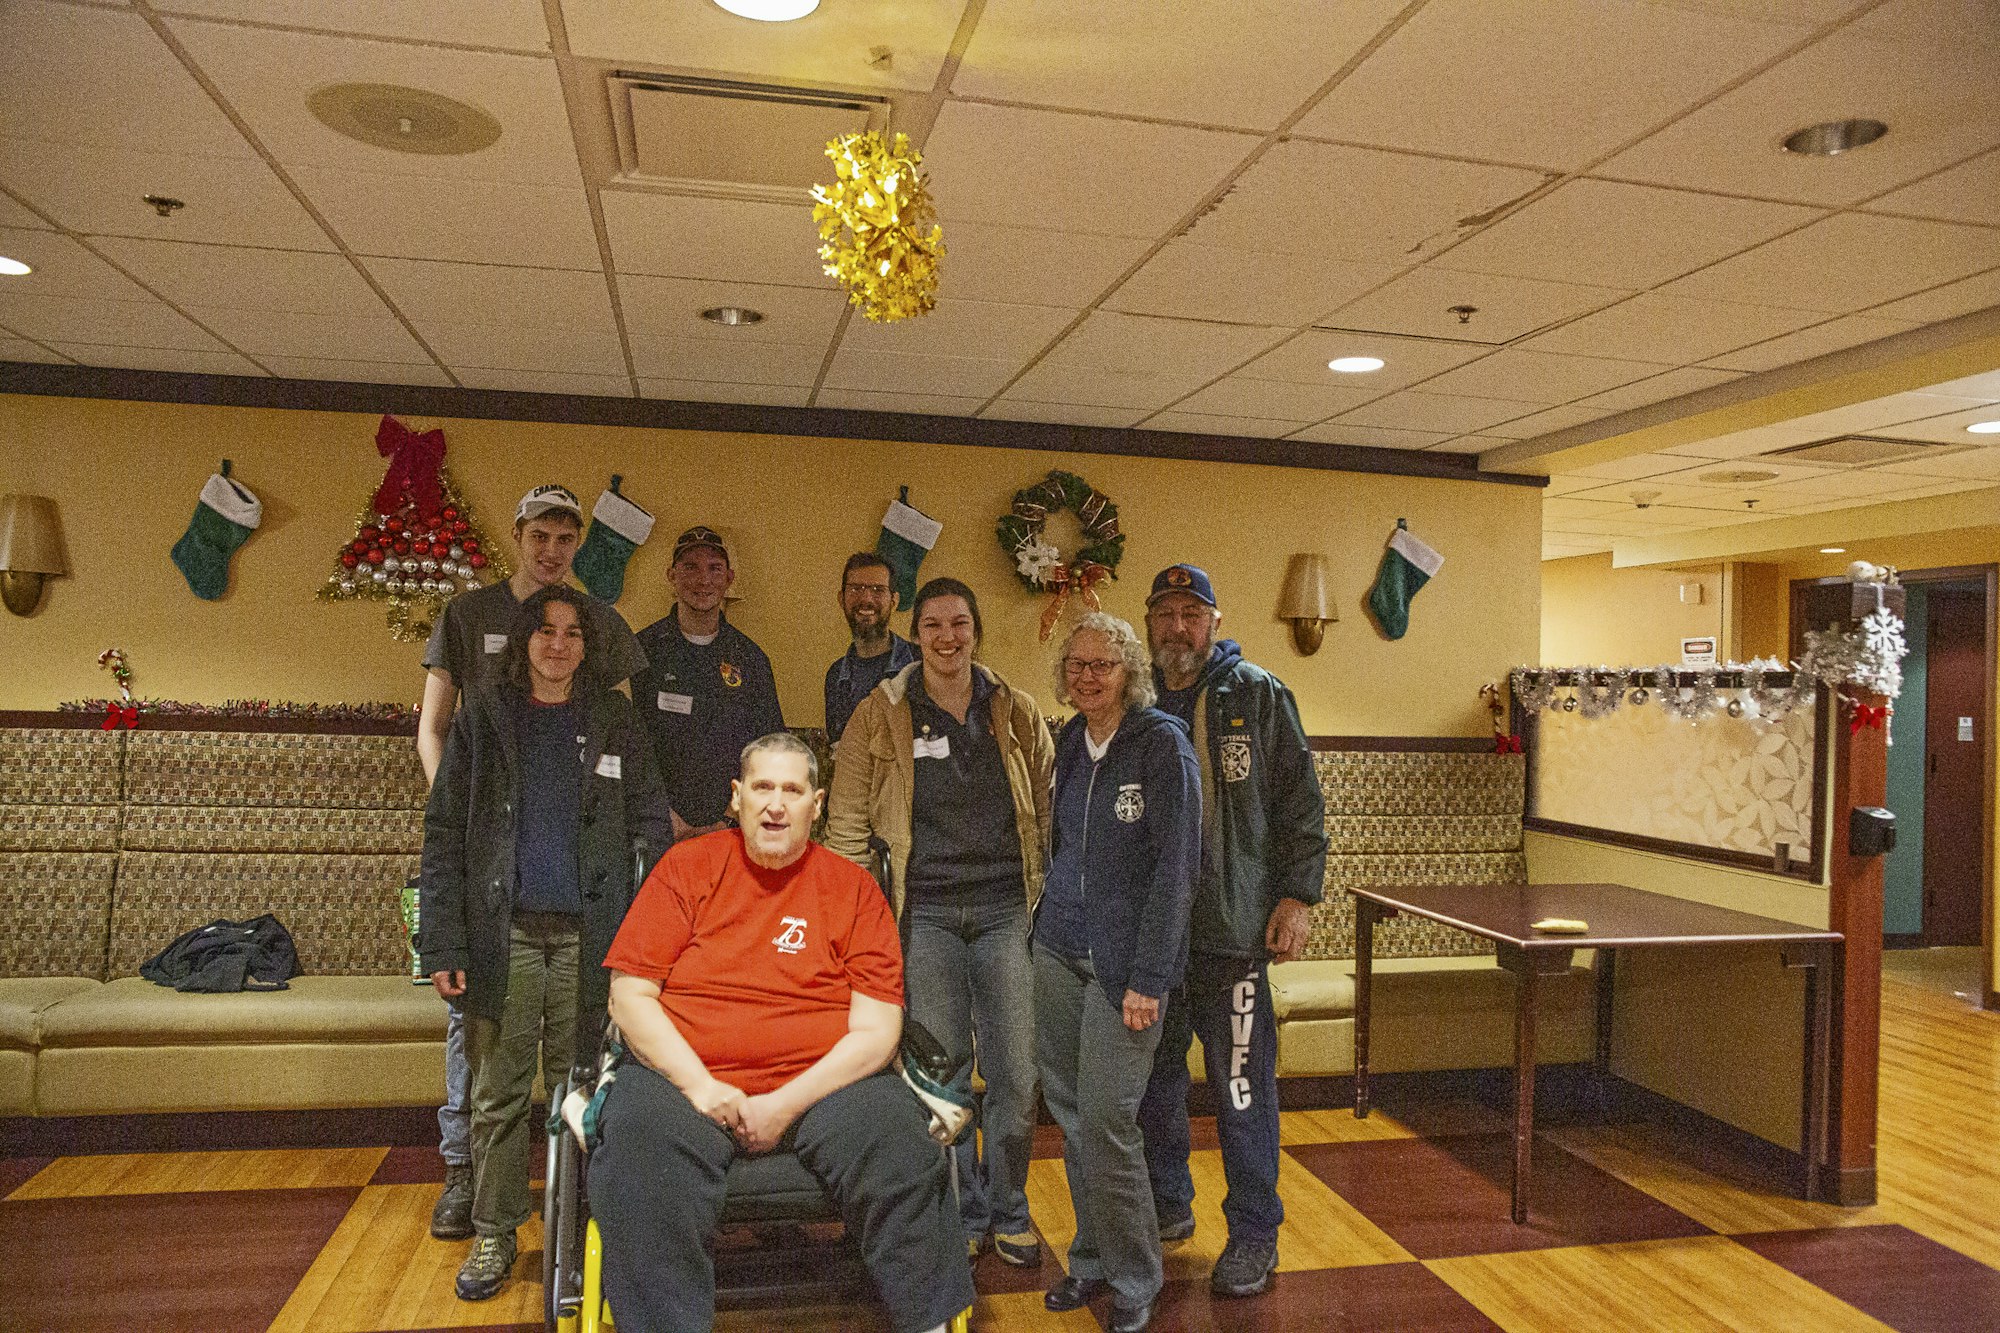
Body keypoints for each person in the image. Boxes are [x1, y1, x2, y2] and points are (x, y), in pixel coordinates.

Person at [588, 733, 975, 1333]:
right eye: (762, 788)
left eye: (792, 790)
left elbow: (877, 1030)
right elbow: (630, 997)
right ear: (736, 798)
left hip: (825, 1086)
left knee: (900, 1143)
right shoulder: (685, 868)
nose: (776, 804)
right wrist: (700, 1087)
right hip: (685, 1081)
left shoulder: (852, 888)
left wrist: (783, 1105)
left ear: (816, 805)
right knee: (637, 1148)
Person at [418, 584, 672, 1302]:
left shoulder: (615, 719)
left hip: (591, 939)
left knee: (584, 1093)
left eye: (572, 633)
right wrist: (441, 941)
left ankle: (581, 1226)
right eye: (546, 631)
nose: (558, 644)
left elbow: (651, 819)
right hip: (504, 937)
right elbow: (443, 835)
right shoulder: (483, 717)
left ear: (587, 647)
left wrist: (647, 931)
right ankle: (496, 1229)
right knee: (498, 1093)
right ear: (524, 640)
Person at [826, 577, 1053, 1267]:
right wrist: (859, 919)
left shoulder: (1014, 708)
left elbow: (1050, 805)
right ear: (914, 633)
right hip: (924, 915)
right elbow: (847, 823)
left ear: (976, 629)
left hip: (1006, 912)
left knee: (1016, 1073)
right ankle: (962, 1209)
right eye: (932, 626)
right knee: (942, 1075)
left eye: (959, 623)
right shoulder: (882, 709)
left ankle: (1011, 1205)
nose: (947, 638)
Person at [1135, 563, 1327, 1299]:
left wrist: (1297, 897)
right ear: (1148, 622)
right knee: (1154, 1085)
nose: (1178, 626)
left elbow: (1300, 806)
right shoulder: (1133, 699)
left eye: (1192, 612)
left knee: (1243, 1091)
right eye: (1166, 613)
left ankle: (1254, 1233)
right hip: (1156, 943)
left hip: (1234, 937)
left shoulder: (1259, 695)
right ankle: (1167, 1204)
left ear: (1214, 620)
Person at [1034, 612, 1200, 1333]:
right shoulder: (1071, 739)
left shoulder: (1162, 745)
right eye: (1077, 664)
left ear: (1129, 671)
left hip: (1125, 969)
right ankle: (1092, 1256)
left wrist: (1150, 977)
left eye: (1103, 664)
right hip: (1058, 949)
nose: (1088, 676)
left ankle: (1137, 1275)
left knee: (1108, 1118)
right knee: (1070, 1113)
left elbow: (1176, 872)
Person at [634, 526, 784, 839]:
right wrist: (663, 815)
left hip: (734, 829)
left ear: (729, 579)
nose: (704, 580)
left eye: (714, 569)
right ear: (671, 576)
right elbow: (627, 745)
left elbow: (770, 752)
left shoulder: (751, 659)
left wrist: (728, 819)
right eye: (690, 567)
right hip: (656, 828)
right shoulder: (642, 653)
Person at [823, 552, 918, 745]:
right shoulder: (835, 676)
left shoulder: (920, 664)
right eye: (856, 589)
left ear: (894, 600)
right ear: (841, 599)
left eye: (878, 589)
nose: (866, 598)